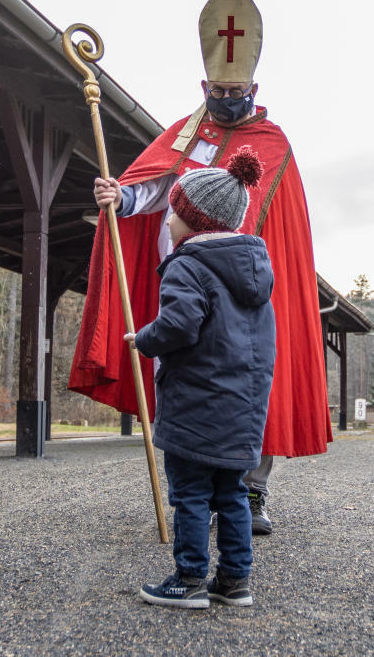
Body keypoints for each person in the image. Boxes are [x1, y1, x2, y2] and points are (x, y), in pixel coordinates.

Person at [69, 0, 330, 535]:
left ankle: (250, 493)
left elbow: (281, 226)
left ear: (253, 86)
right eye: (218, 88)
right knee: (187, 383)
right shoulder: (188, 137)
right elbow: (160, 188)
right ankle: (193, 488)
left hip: (242, 290)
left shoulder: (274, 143)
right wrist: (123, 196)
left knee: (248, 386)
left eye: (236, 90)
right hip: (183, 282)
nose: (227, 97)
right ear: (204, 84)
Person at [128, 149, 276, 608]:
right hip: (243, 411)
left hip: (195, 408)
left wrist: (143, 339)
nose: (167, 221)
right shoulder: (254, 273)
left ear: (194, 222)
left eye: (173, 212)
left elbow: (179, 325)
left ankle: (189, 578)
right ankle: (234, 581)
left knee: (190, 494)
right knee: (231, 493)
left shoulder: (187, 266)